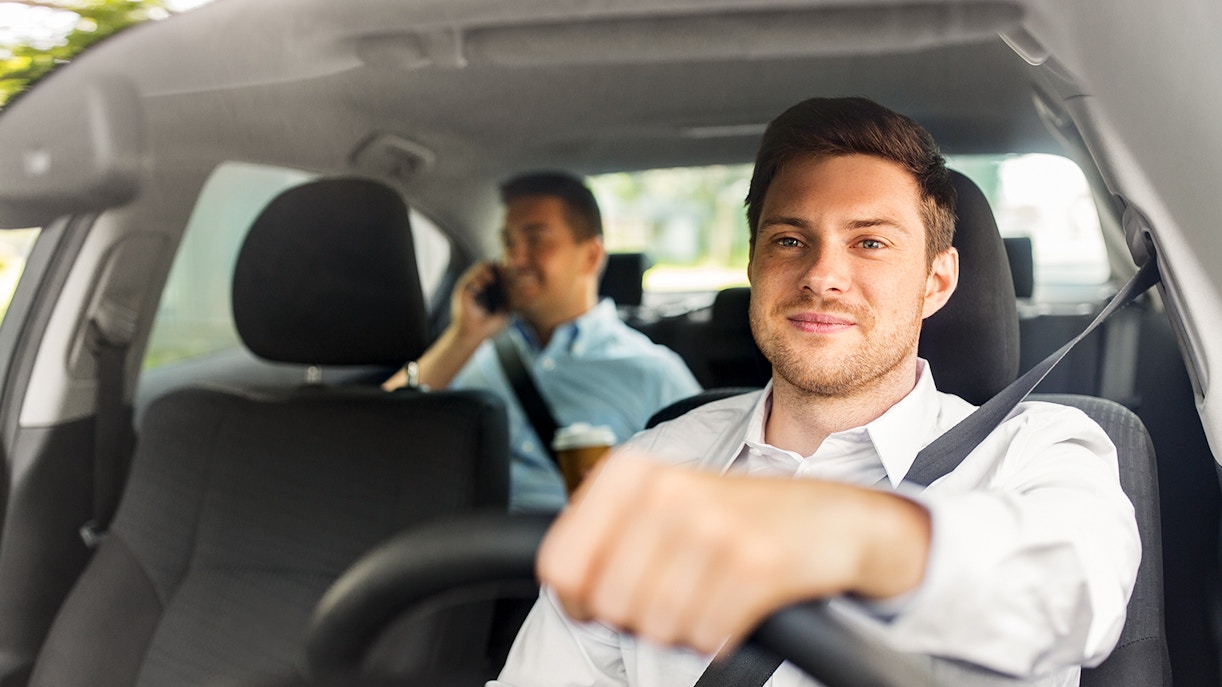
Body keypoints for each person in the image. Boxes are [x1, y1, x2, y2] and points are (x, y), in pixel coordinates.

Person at [492, 98, 1140, 685]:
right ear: (753, 266)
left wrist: (847, 536)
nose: (824, 274)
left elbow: (1074, 593)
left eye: (871, 242)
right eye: (791, 240)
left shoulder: (1043, 451)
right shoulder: (649, 464)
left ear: (937, 281)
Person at [384, 172, 701, 513]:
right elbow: (373, 431)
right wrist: (463, 337)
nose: (514, 260)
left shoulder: (655, 372)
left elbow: (706, 499)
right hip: (457, 549)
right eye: (508, 243)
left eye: (536, 240)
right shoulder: (473, 352)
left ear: (591, 256)